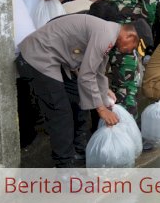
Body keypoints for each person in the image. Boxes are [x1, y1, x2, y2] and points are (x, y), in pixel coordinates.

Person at [15, 14, 148, 167]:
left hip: (54, 60)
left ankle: (79, 149)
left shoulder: (109, 34)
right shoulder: (106, 34)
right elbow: (86, 75)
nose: (131, 50)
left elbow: (97, 72)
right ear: (129, 36)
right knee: (60, 112)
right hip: (38, 57)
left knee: (78, 98)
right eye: (134, 46)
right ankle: (65, 164)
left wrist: (104, 94)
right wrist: (102, 110)